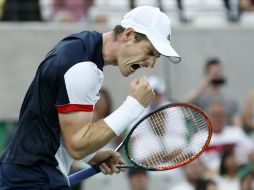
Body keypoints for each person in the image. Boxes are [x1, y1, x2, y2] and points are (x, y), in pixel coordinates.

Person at [0, 6, 181, 189]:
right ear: (128, 34)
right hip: (34, 178)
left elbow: (58, 126)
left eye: (156, 57)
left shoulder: (79, 45)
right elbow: (77, 146)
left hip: (25, 174)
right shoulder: (84, 69)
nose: (150, 64)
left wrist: (91, 156)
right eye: (150, 52)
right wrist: (134, 105)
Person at [199, 102, 254, 174]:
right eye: (214, 115)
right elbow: (195, 161)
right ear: (208, 117)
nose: (217, 118)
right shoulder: (199, 138)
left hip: (237, 173)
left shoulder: (237, 132)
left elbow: (251, 151)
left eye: (220, 115)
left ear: (225, 117)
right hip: (210, 175)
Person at [183, 58, 241, 126]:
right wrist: (204, 84)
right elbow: (183, 104)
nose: (217, 75)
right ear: (206, 74)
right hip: (204, 135)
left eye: (219, 71)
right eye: (214, 72)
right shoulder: (199, 98)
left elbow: (237, 124)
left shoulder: (230, 100)